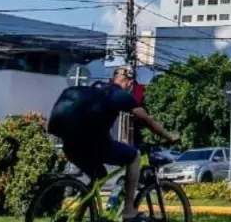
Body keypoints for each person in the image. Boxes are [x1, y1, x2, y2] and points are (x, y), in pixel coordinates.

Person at [58, 65, 178, 222]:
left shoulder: (96, 89)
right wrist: (169, 136)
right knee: (134, 156)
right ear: (128, 82)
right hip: (93, 145)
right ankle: (128, 211)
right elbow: (146, 119)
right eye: (132, 85)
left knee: (99, 176)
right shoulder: (120, 95)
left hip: (70, 145)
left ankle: (81, 216)